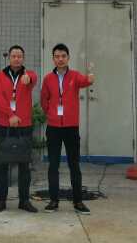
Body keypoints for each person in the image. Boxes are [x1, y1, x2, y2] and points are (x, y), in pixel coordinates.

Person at [39, 43, 95, 214]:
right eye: (57, 56)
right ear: (53, 59)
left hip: (71, 128)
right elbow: (44, 100)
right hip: (54, 128)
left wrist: (91, 75)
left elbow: (86, 81)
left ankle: (78, 201)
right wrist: (51, 114)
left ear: (68, 58)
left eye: (63, 56)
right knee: (53, 165)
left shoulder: (75, 76)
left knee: (74, 165)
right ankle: (53, 201)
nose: (60, 59)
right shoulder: (48, 78)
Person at [0, 45, 39, 213]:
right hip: (4, 125)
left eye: (20, 56)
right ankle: (1, 200)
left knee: (24, 165)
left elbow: (33, 78)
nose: (17, 59)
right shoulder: (0, 76)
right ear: (9, 58)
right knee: (2, 165)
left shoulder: (28, 75)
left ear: (23, 58)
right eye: (14, 56)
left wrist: (29, 78)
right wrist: (11, 114)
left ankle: (24, 201)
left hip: (24, 126)